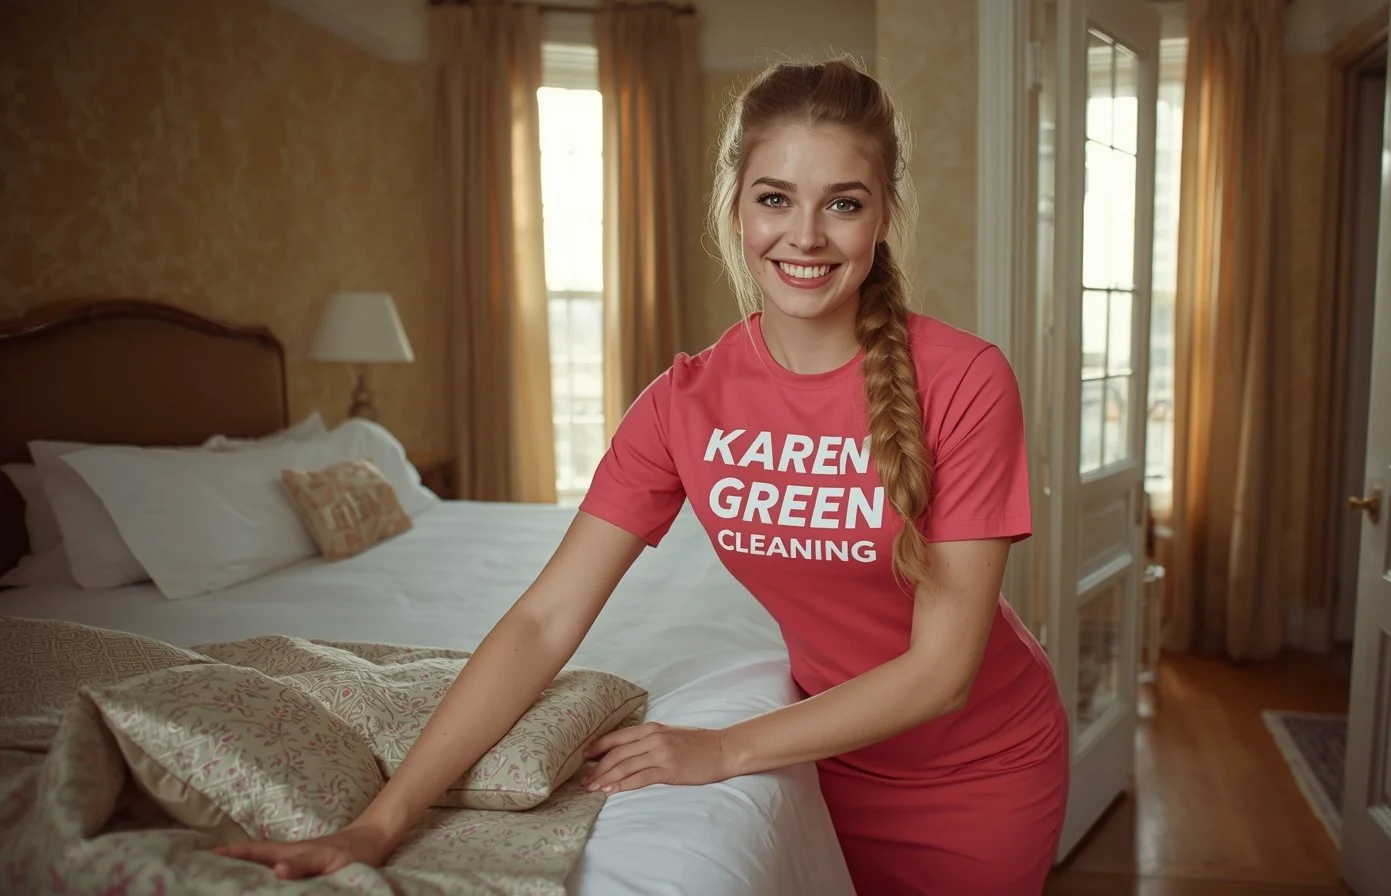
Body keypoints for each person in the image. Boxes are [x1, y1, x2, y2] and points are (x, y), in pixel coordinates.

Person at [216, 58, 1069, 895]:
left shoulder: (964, 380)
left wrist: (724, 750)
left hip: (978, 775)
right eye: (775, 198)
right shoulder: (682, 403)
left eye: (842, 204)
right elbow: (544, 622)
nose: (805, 236)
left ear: (882, 216)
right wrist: (383, 818)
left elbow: (942, 671)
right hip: (816, 766)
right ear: (736, 208)